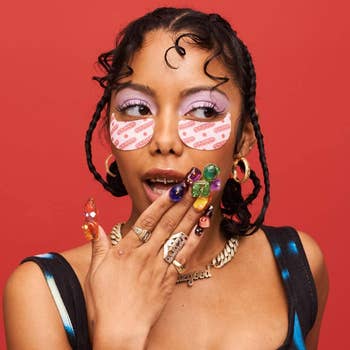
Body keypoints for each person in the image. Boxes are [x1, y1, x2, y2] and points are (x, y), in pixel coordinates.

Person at [3, 7, 328, 350]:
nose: (165, 141)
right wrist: (118, 334)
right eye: (138, 109)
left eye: (203, 111)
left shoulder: (299, 265)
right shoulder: (43, 294)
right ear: (110, 132)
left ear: (243, 140)